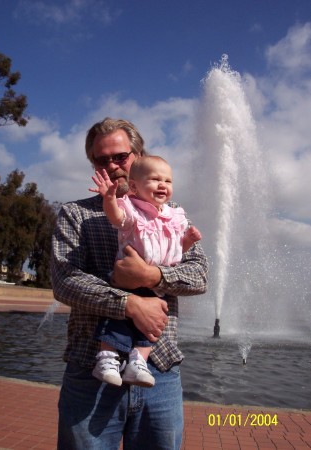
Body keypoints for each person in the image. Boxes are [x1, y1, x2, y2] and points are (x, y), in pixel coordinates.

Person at [51, 117, 208, 450]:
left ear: (137, 155)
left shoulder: (173, 214)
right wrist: (131, 304)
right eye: (101, 159)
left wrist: (152, 276)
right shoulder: (76, 214)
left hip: (159, 369)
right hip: (90, 369)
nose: (112, 165)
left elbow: (199, 275)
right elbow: (65, 281)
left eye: (120, 156)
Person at [89, 156, 202, 388]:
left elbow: (174, 252)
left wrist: (187, 242)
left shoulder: (174, 216)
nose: (163, 185)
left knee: (154, 322)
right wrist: (109, 199)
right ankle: (107, 359)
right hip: (127, 278)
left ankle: (138, 362)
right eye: (154, 179)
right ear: (134, 187)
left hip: (156, 281)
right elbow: (117, 218)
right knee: (117, 317)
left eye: (168, 181)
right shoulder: (131, 208)